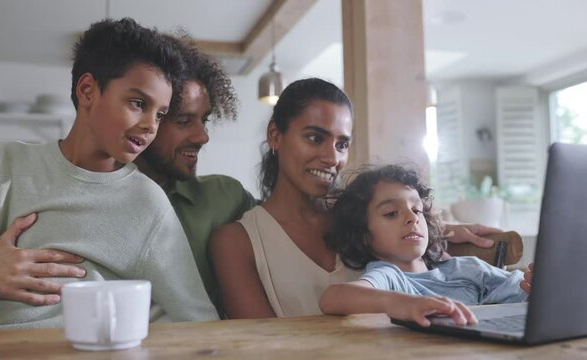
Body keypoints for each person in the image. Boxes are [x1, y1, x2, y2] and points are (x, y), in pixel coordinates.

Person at [0, 18, 218, 342]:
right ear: (88, 90)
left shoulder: (147, 201)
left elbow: (197, 317)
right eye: (138, 103)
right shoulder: (6, 162)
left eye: (159, 114)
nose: (150, 125)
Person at [0, 36, 255, 311]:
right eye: (182, 121)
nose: (203, 136)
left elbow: (286, 227)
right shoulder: (17, 171)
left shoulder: (223, 197)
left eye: (204, 120)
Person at [209, 78, 506, 319]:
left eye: (342, 144)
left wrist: (444, 230)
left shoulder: (367, 218)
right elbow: (258, 345)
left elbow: (429, 267)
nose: (331, 157)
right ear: (275, 135)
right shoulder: (237, 241)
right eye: (314, 137)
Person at [319, 164, 532, 327]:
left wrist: (535, 284)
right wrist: (406, 304)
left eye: (417, 209)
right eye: (391, 213)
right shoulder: (389, 276)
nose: (412, 218)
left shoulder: (467, 267)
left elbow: (521, 290)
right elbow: (332, 298)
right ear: (363, 234)